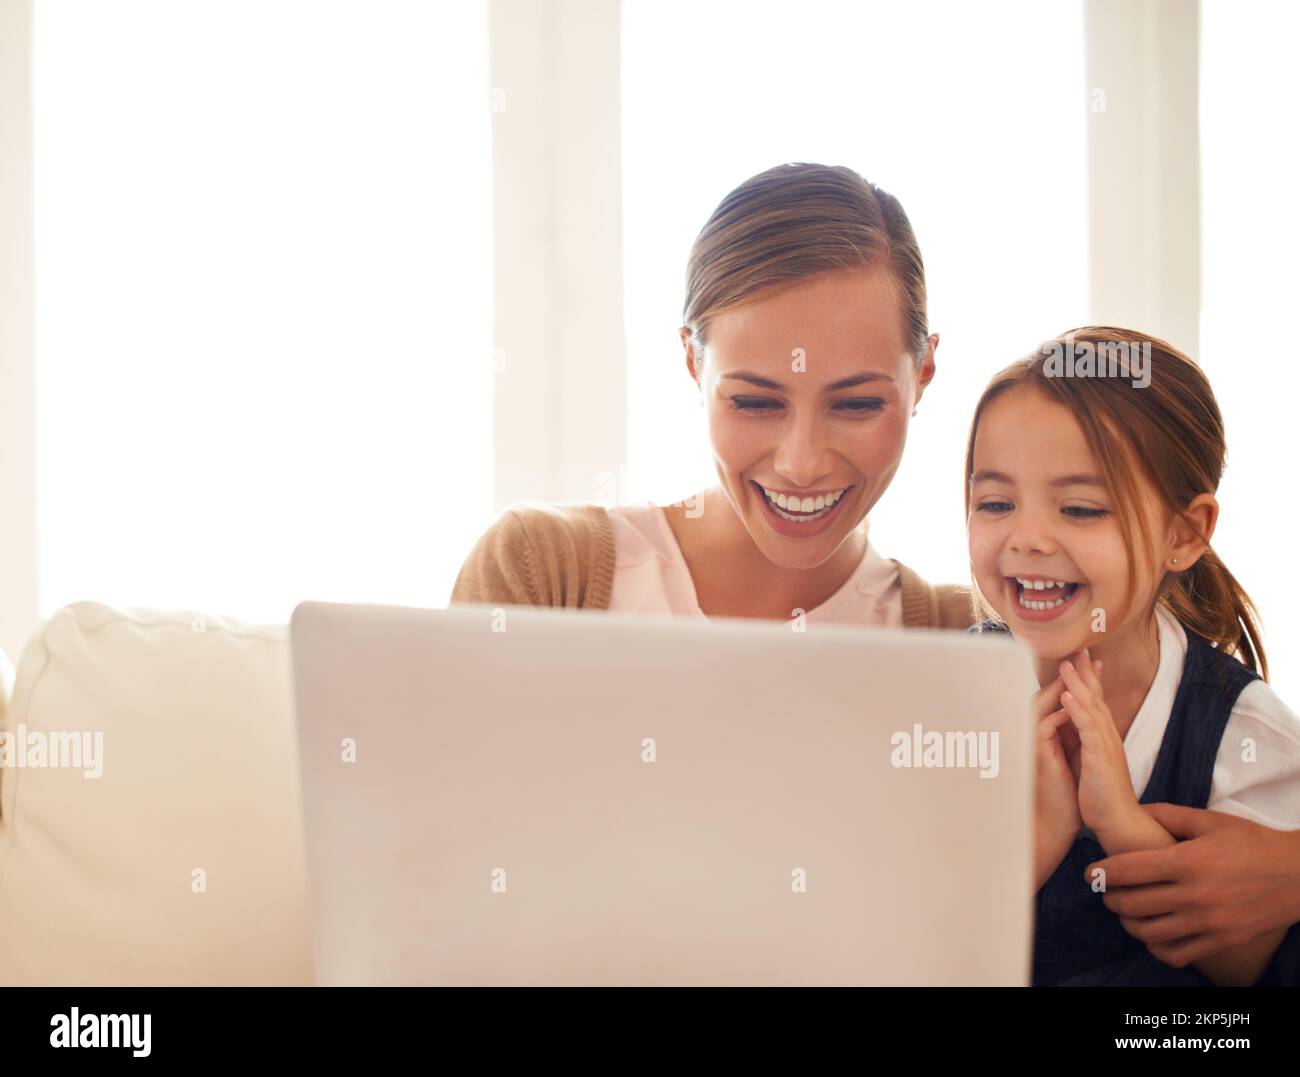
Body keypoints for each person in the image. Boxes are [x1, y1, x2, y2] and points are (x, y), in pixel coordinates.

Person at [452, 162, 970, 629]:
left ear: (922, 371)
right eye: (756, 402)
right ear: (693, 363)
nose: (802, 464)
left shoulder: (966, 637)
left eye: (856, 405)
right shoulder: (541, 576)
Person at [966, 326, 1300, 986]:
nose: (1027, 538)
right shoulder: (943, 694)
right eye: (996, 502)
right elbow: (905, 944)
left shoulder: (1242, 731)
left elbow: (1249, 971)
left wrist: (1121, 825)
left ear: (1184, 533)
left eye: (1082, 508)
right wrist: (1037, 839)